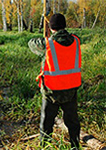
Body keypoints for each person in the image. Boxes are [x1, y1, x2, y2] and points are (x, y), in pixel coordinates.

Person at [28, 13, 81, 149]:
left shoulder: (47, 43)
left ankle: (45, 147)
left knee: (46, 124)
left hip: (51, 91)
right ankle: (75, 145)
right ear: (64, 25)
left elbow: (31, 44)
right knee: (73, 123)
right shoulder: (76, 40)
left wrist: (47, 37)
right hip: (71, 89)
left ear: (51, 27)